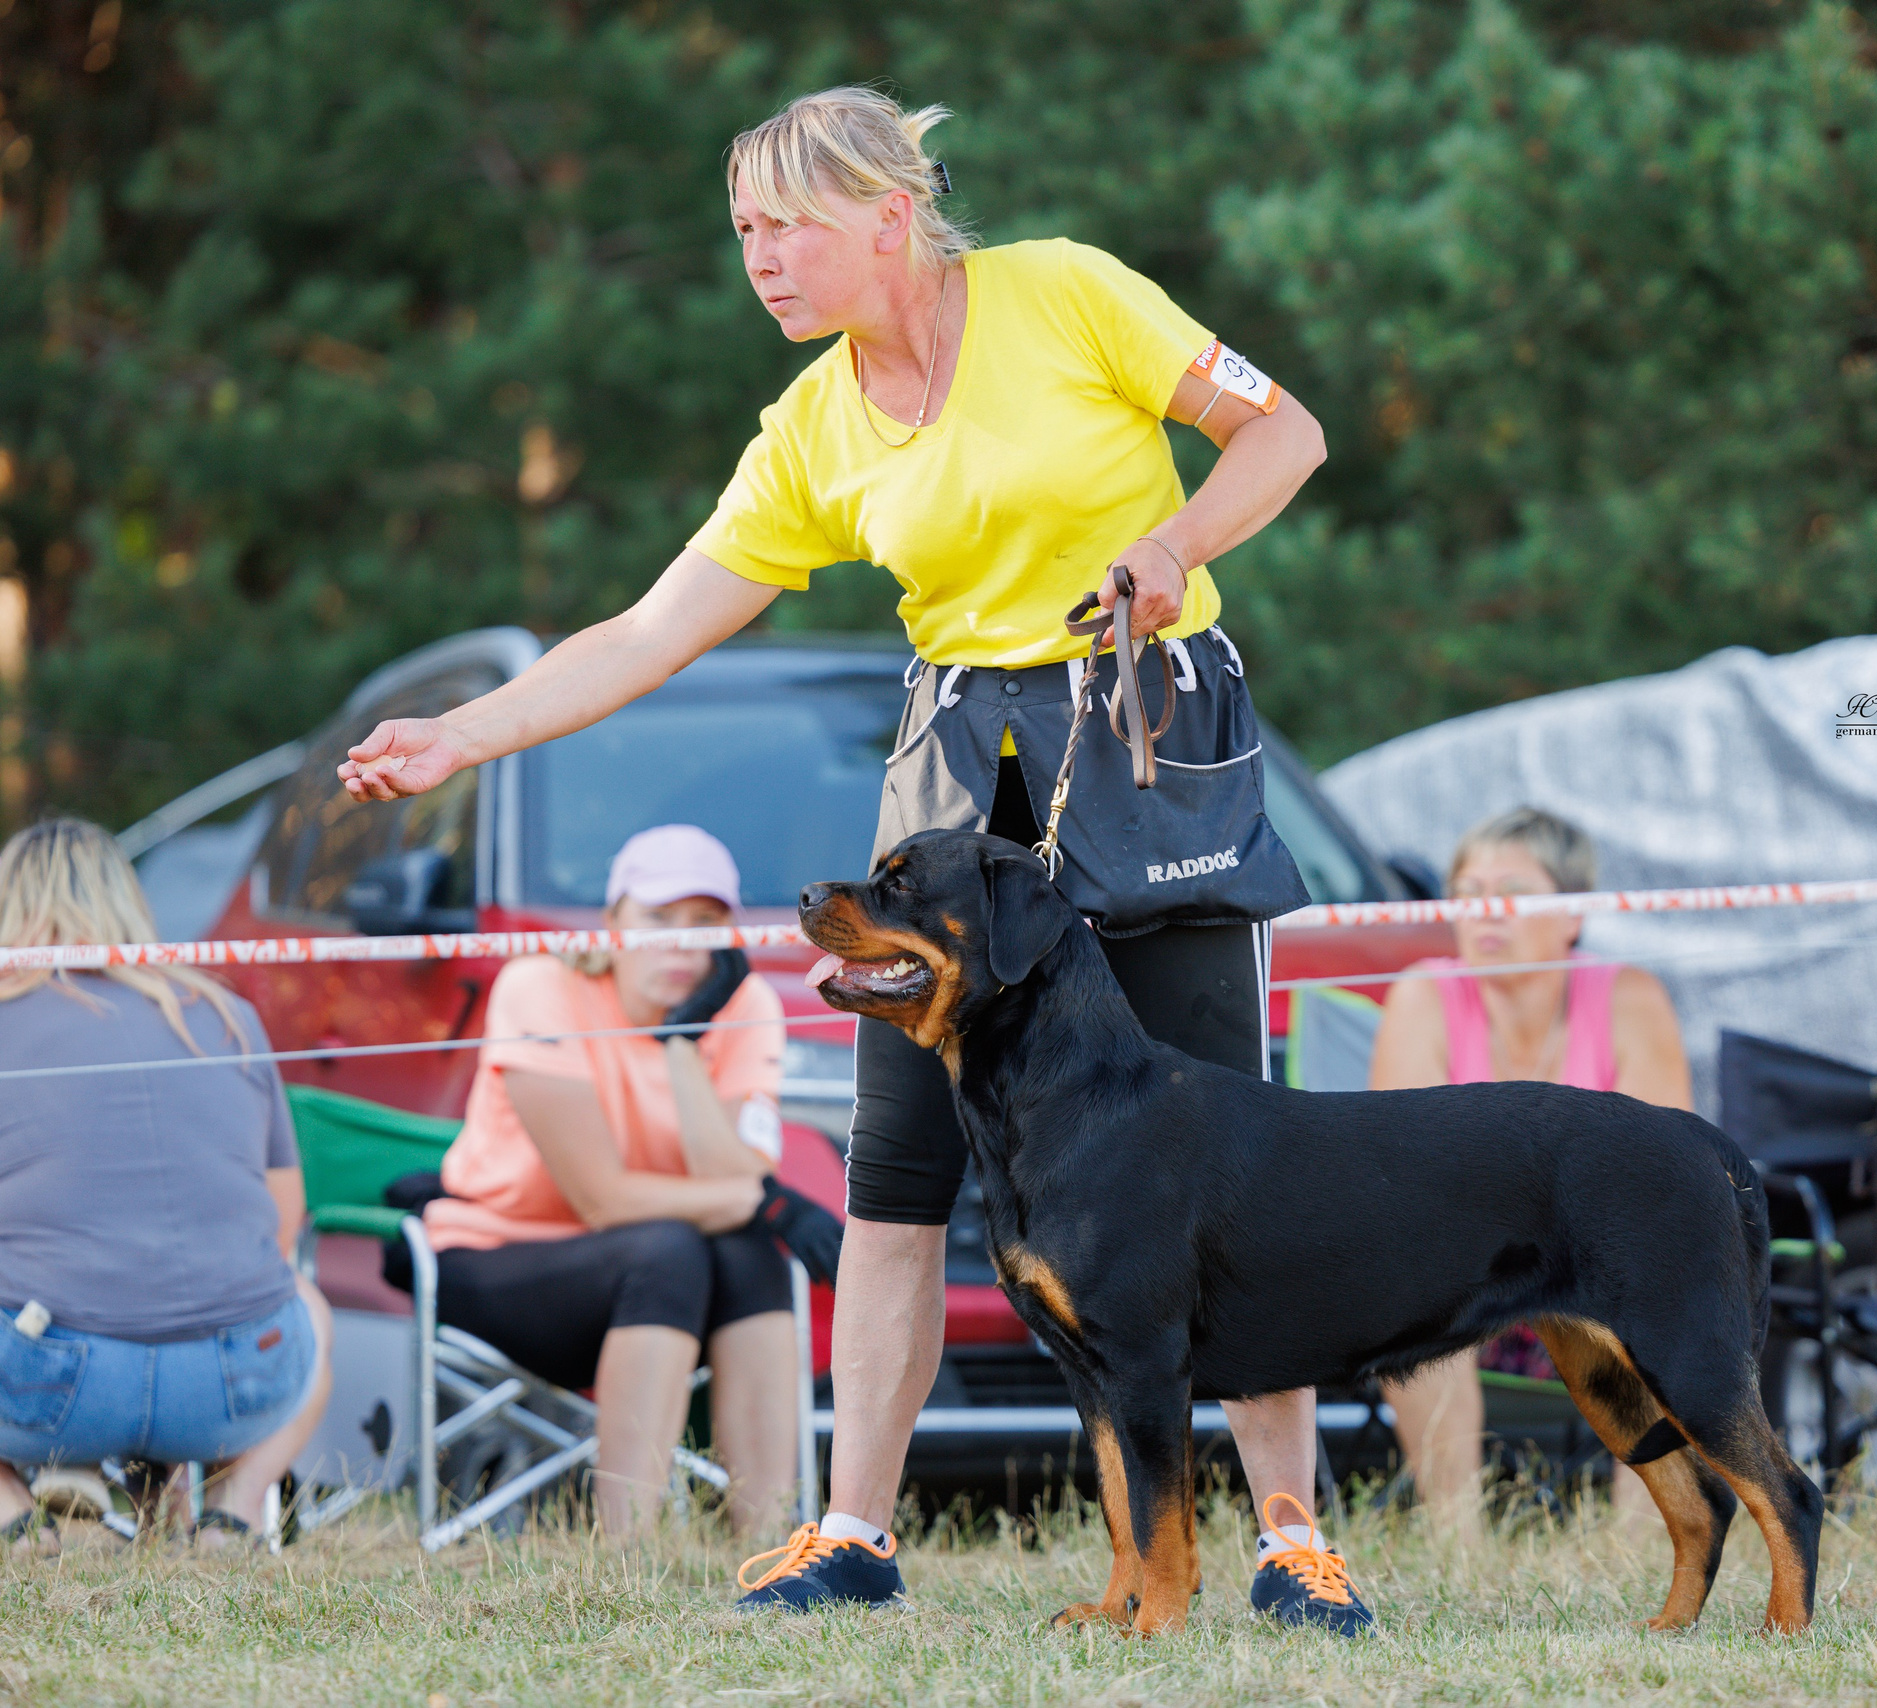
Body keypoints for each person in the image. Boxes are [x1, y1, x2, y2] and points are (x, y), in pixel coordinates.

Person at [337, 89, 1361, 1630]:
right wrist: (460, 736)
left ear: (892, 213)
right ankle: (855, 1535)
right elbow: (650, 629)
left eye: (788, 226)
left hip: (1151, 750)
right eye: (743, 231)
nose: (761, 258)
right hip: (957, 786)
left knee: (1233, 1165)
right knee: (894, 1184)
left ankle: (1292, 1541)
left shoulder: (1069, 292)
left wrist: (1174, 546)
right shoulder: (810, 427)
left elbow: (1287, 432)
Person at [0, 819, 333, 1549]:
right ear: (130, 901)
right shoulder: (230, 1015)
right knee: (307, 1303)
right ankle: (235, 1510)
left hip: (39, 1380)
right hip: (235, 1381)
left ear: (8, 909)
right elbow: (279, 1229)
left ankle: (7, 1520)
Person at [417, 824, 827, 1537]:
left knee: (747, 1253)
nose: (681, 944)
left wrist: (682, 1041)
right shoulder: (540, 986)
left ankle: (770, 1542)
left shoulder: (743, 1004)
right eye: (658, 919)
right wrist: (764, 1202)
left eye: (704, 923)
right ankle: (625, 1552)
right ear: (613, 923)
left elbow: (733, 1177)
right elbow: (602, 1199)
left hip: (664, 1272)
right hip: (499, 1257)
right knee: (670, 1249)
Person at [1367, 806, 1693, 1536]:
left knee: (1661, 1284)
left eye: (1511, 891)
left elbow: (1661, 1173)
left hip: (1593, 1260)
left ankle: (1644, 1547)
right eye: (1468, 891)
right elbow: (1409, 1170)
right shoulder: (1423, 995)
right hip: (1470, 1260)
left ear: (1572, 912)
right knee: (1410, 1287)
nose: (1485, 911)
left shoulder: (1631, 998)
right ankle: (1458, 1541)